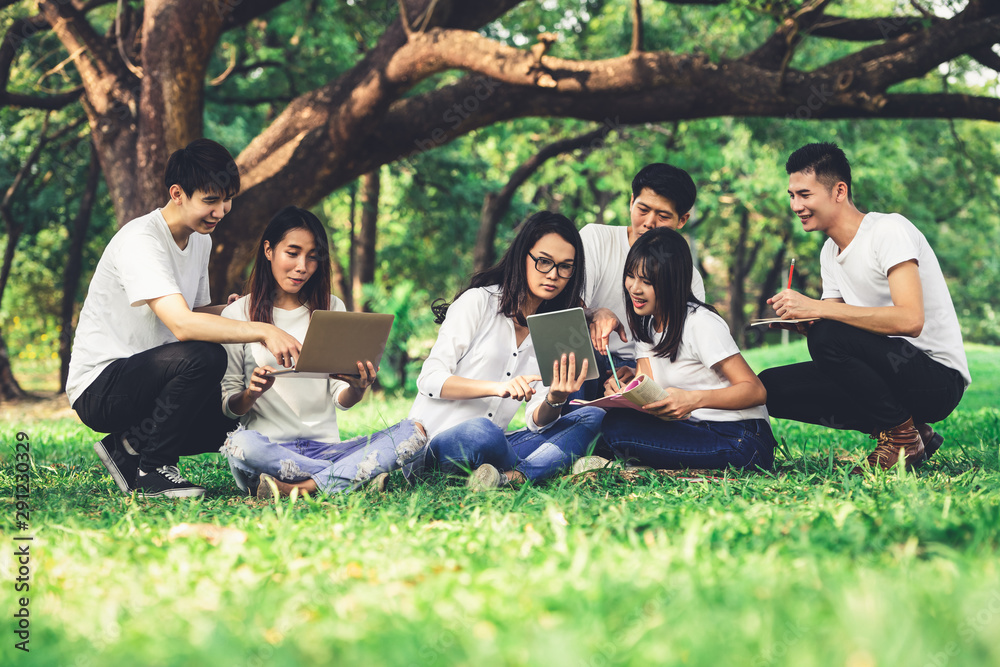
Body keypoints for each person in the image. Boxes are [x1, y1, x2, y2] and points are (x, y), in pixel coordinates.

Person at [68, 139, 301, 498]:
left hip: (149, 379)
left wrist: (236, 309)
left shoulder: (199, 241)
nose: (221, 211)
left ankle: (125, 448)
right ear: (177, 193)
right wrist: (262, 330)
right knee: (207, 356)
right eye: (210, 200)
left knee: (229, 418)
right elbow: (183, 326)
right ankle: (154, 472)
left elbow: (193, 313)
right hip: (102, 387)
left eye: (227, 199)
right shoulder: (141, 240)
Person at [758, 142, 970, 473]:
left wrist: (820, 313)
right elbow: (837, 333)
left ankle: (901, 438)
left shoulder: (888, 231)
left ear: (839, 191)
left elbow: (910, 320)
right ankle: (914, 432)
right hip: (888, 372)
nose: (795, 205)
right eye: (791, 195)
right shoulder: (829, 252)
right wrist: (804, 320)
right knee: (769, 388)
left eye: (804, 194)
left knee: (827, 333)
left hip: (936, 380)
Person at [218, 206, 426, 498]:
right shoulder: (237, 313)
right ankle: (350, 475)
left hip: (327, 447)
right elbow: (229, 406)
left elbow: (341, 397)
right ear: (268, 250)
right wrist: (251, 393)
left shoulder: (331, 308)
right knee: (241, 445)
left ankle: (302, 487)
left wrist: (358, 387)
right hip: (268, 448)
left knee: (413, 432)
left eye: (313, 256)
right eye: (292, 253)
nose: (303, 266)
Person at [405, 211, 605, 489]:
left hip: (499, 446)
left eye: (565, 266)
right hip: (441, 443)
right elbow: (429, 380)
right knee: (483, 432)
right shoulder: (479, 302)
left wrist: (556, 399)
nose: (553, 275)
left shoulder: (558, 329)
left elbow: (537, 422)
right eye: (544, 262)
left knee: (591, 417)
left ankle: (507, 477)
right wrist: (498, 387)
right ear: (523, 255)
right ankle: (542, 467)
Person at [581, 227, 775, 473]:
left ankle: (629, 462)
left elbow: (756, 391)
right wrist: (623, 391)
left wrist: (693, 400)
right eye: (631, 276)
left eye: (647, 281)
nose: (635, 289)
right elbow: (647, 386)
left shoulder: (700, 323)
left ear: (672, 282)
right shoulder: (649, 323)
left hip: (741, 439)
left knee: (617, 430)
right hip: (693, 428)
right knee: (602, 423)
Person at [578, 163, 706, 397]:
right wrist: (595, 313)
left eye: (663, 216)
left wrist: (639, 373)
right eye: (643, 209)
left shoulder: (688, 277)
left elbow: (681, 348)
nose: (649, 222)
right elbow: (563, 308)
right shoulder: (595, 239)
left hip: (649, 371)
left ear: (682, 220)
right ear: (631, 202)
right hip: (591, 358)